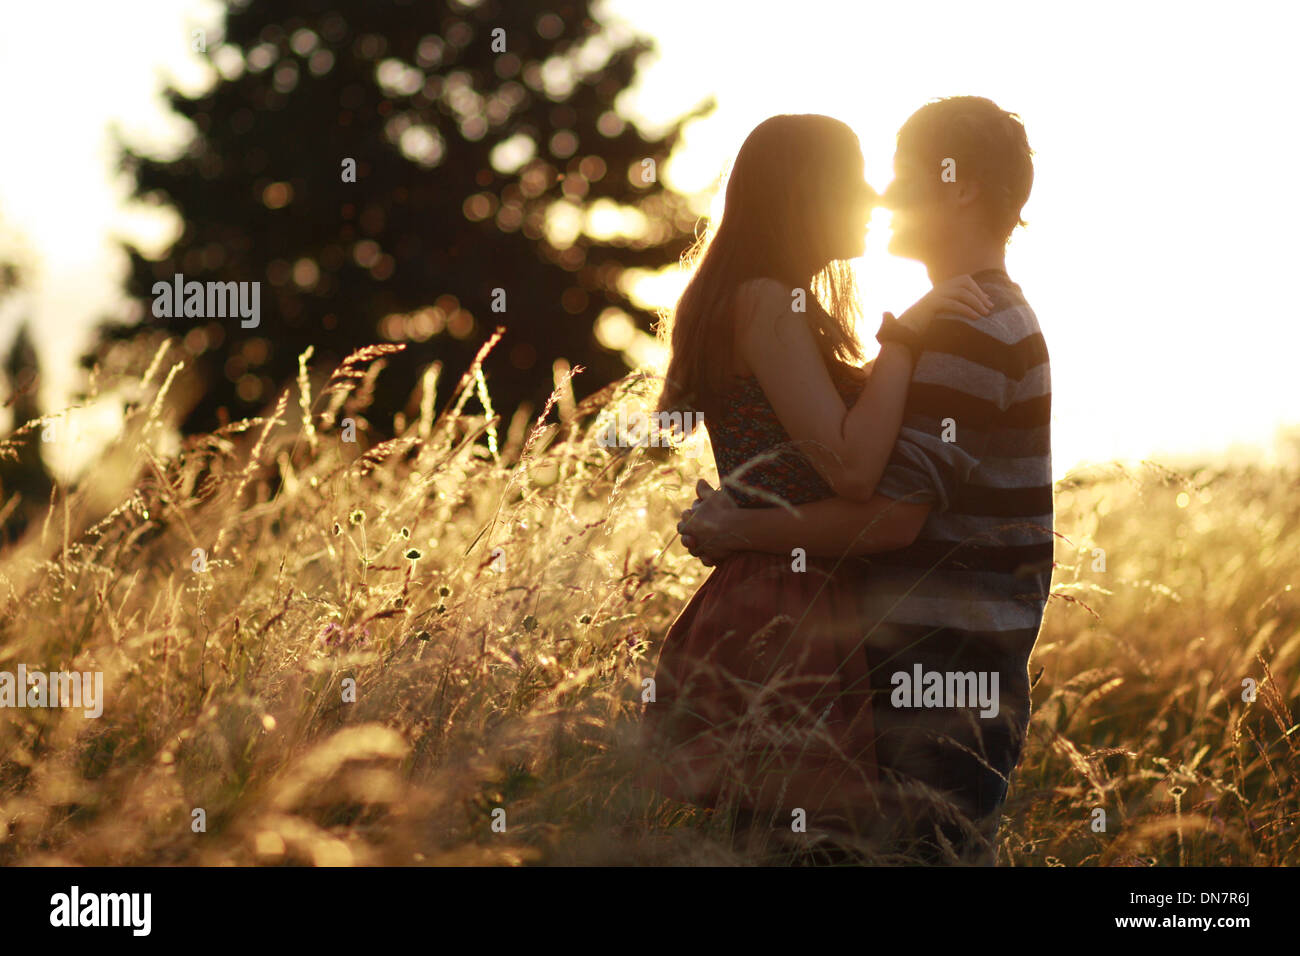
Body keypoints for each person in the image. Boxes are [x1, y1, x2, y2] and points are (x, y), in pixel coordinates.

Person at [678, 96, 1052, 864]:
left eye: (897, 175)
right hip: (890, 663)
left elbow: (885, 519)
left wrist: (738, 526)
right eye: (862, 180)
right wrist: (905, 337)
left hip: (939, 677)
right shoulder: (951, 322)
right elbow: (857, 477)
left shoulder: (966, 327)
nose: (881, 196)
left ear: (960, 187)